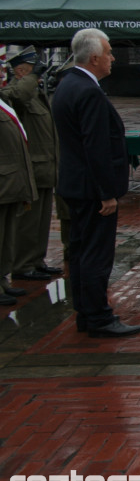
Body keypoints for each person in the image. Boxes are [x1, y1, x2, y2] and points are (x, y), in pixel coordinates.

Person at [51, 28, 140, 337]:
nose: (113, 58)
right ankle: (99, 317)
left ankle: (86, 313)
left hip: (75, 185)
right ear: (94, 58)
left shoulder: (67, 85)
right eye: (109, 53)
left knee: (78, 252)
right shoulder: (87, 90)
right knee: (95, 255)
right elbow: (96, 146)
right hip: (92, 190)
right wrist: (107, 193)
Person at [2, 48, 63, 282]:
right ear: (19, 71)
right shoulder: (14, 93)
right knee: (27, 223)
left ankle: (37, 260)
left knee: (41, 221)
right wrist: (29, 78)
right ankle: (23, 264)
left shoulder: (35, 94)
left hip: (45, 168)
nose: (38, 74)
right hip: (31, 171)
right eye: (32, 70)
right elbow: (17, 96)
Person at [0, 60, 37, 307]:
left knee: (6, 235)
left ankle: (3, 280)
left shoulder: (3, 104)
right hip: (4, 181)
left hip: (10, 181)